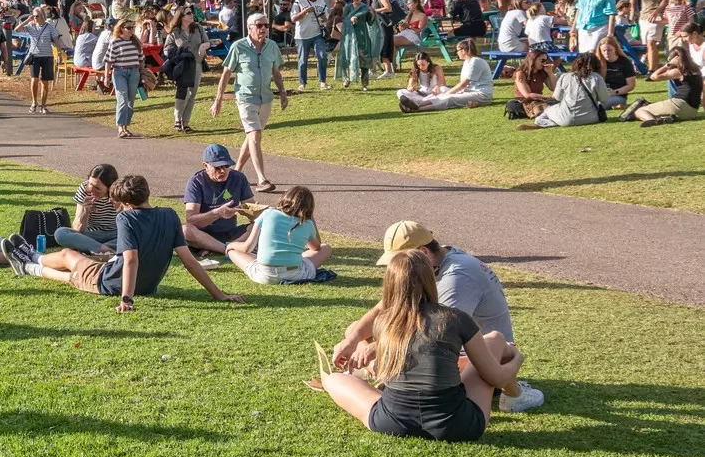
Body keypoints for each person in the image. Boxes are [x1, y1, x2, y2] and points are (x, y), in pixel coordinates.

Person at [317, 250, 521, 441]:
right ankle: (516, 396)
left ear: (389, 283)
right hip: (457, 425)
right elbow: (496, 377)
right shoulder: (456, 318)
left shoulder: (384, 322)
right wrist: (517, 357)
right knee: (495, 339)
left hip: (392, 422)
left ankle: (372, 389)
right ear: (430, 279)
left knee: (333, 380)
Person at [376, 220, 544, 412]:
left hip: (472, 357)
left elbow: (428, 335)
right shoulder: (442, 260)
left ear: (423, 253)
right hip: (466, 357)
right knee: (376, 331)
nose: (394, 271)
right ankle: (515, 393)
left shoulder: (456, 278)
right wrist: (355, 336)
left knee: (493, 342)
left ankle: (514, 392)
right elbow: (391, 309)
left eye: (399, 263)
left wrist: (379, 352)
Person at [15, 174, 243, 311]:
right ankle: (28, 259)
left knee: (69, 260)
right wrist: (218, 294)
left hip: (114, 284)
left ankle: (30, 261)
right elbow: (190, 261)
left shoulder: (126, 217)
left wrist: (127, 298)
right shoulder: (169, 215)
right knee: (76, 267)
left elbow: (131, 260)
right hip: (147, 286)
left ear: (124, 202)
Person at [210, 12, 290, 191]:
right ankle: (262, 179)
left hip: (266, 97)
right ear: (249, 28)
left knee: (252, 136)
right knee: (255, 135)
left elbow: (276, 72)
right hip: (245, 97)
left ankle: (236, 172)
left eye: (266, 25)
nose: (263, 29)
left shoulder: (272, 46)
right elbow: (226, 74)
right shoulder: (238, 47)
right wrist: (218, 99)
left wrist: (283, 92)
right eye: (259, 25)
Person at [224, 185, 331, 285]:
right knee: (326, 248)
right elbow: (316, 247)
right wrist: (311, 219)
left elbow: (247, 247)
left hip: (264, 275)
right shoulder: (307, 224)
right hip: (295, 274)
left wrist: (231, 245)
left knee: (233, 252)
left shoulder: (268, 213)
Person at [623, 16, 705, 126]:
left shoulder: (702, 48)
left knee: (640, 111)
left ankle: (663, 112)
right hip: (695, 76)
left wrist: (668, 65)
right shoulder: (691, 45)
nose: (684, 39)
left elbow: (653, 77)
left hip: (698, 77)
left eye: (685, 36)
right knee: (672, 81)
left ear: (695, 34)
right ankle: (670, 106)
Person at [181, 143, 254, 257]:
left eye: (226, 166)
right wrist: (217, 213)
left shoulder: (239, 178)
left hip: (231, 233)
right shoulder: (196, 182)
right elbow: (191, 220)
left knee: (260, 226)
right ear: (205, 166)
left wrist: (256, 211)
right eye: (217, 167)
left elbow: (251, 209)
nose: (223, 171)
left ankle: (220, 249)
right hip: (204, 235)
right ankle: (228, 250)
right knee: (185, 230)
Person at [397, 38, 495, 113]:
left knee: (449, 97)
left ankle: (416, 109)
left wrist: (448, 93)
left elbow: (463, 84)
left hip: (481, 94)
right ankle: (415, 104)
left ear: (464, 51)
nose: (457, 53)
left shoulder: (475, 62)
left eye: (457, 51)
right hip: (469, 91)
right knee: (445, 93)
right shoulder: (468, 62)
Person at [520, 54, 610, 130]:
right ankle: (550, 123)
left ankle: (544, 123)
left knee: (547, 110)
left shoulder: (565, 76)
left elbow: (557, 97)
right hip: (591, 118)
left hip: (566, 119)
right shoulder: (597, 78)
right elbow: (604, 98)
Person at [53, 163, 121, 255]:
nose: (92, 190)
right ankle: (106, 250)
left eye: (97, 188)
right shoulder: (85, 189)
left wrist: (120, 208)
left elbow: (131, 225)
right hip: (91, 235)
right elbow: (77, 229)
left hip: (116, 234)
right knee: (60, 233)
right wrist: (85, 211)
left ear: (109, 188)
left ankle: (96, 249)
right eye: (90, 184)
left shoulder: (119, 192)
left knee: (140, 235)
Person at [14, 5, 63, 115]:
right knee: (34, 79)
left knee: (45, 82)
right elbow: (17, 29)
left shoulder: (49, 26)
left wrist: (59, 54)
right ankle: (34, 102)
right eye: (34, 16)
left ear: (42, 16)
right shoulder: (31, 26)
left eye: (37, 16)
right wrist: (27, 19)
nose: (35, 18)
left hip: (47, 56)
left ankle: (43, 105)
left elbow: (56, 40)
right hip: (34, 56)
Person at [104, 19, 145, 138]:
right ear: (121, 28)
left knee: (130, 101)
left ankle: (126, 126)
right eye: (128, 28)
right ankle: (120, 127)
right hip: (119, 72)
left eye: (133, 27)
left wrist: (142, 73)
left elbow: (141, 59)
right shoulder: (115, 42)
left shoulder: (136, 42)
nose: (131, 30)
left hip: (134, 71)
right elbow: (108, 61)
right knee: (122, 98)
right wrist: (106, 76)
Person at [591, 33, 636, 104]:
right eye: (604, 51)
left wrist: (614, 92)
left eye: (609, 50)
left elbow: (631, 85)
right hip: (600, 94)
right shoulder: (597, 63)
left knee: (599, 104)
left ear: (615, 49)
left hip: (618, 95)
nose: (606, 53)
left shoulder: (625, 62)